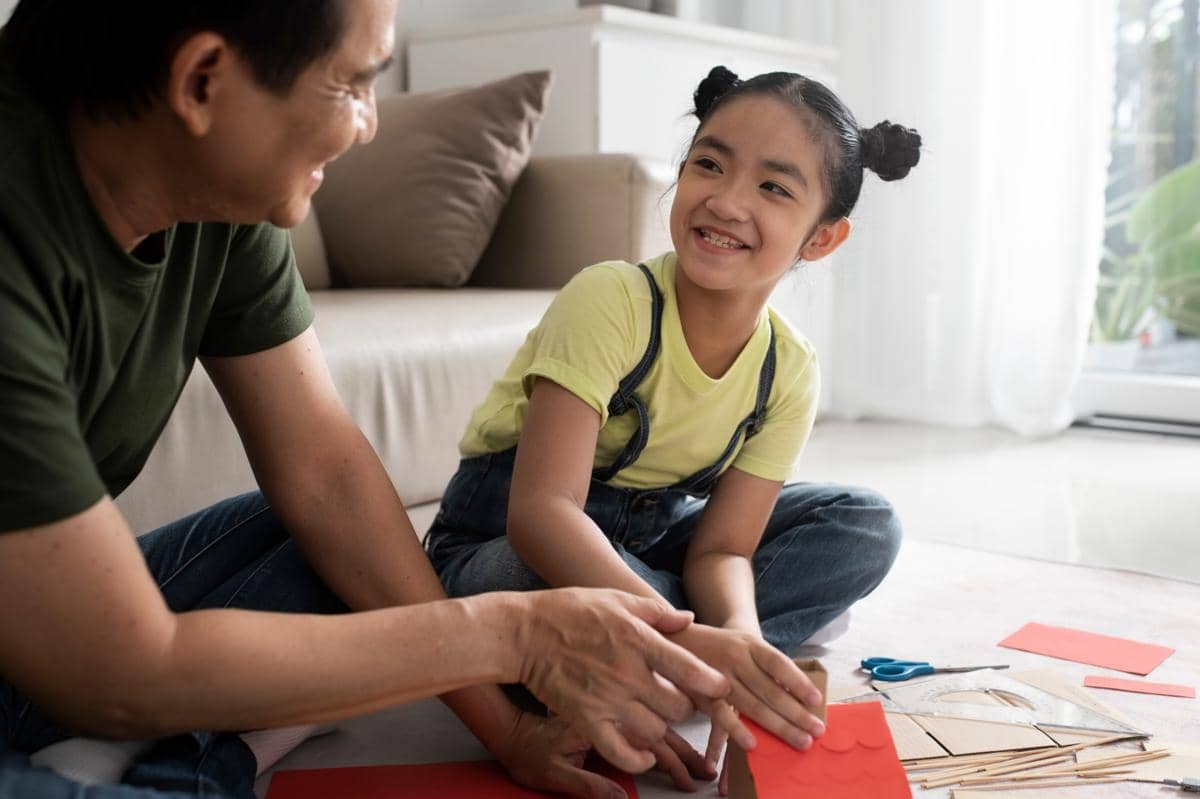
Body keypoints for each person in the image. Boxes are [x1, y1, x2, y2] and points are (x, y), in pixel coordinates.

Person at [0, 2, 752, 798]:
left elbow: (326, 476)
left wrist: (508, 728)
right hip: (86, 657)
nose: (368, 125)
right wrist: (512, 635)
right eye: (353, 84)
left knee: (335, 546)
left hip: (46, 624)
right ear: (202, 82)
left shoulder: (215, 190)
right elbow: (121, 667)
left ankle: (140, 755)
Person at [425, 65, 922, 792]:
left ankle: (655, 662)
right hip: (512, 544)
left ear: (822, 238)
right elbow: (541, 515)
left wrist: (739, 635)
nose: (726, 201)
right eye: (709, 165)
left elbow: (722, 548)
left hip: (654, 546)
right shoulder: (612, 298)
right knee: (529, 581)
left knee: (865, 524)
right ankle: (659, 660)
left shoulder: (788, 369)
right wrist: (693, 643)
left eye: (773, 187)